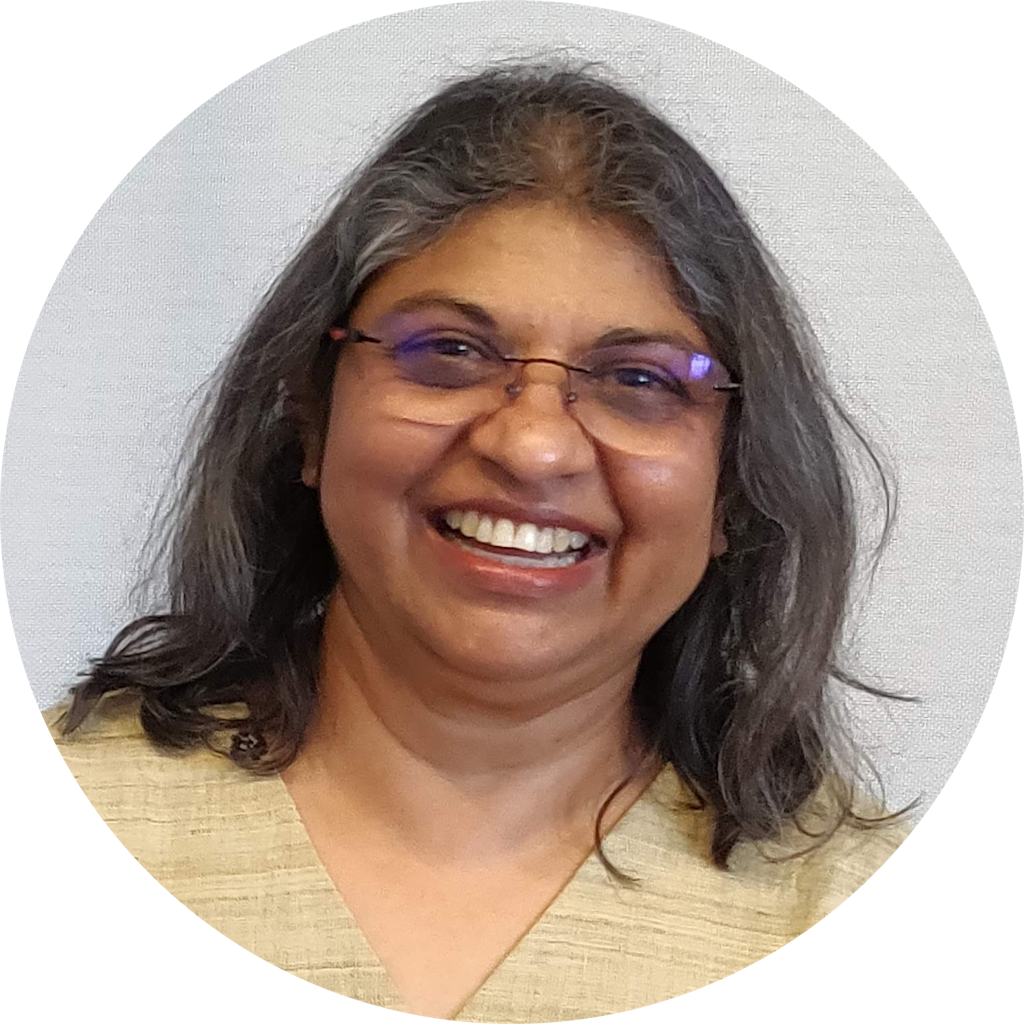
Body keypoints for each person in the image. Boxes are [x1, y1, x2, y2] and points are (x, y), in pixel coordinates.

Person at [42, 55, 920, 1021]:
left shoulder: (825, 897)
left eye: (639, 379)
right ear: (311, 418)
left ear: (734, 489)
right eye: (448, 352)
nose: (533, 446)